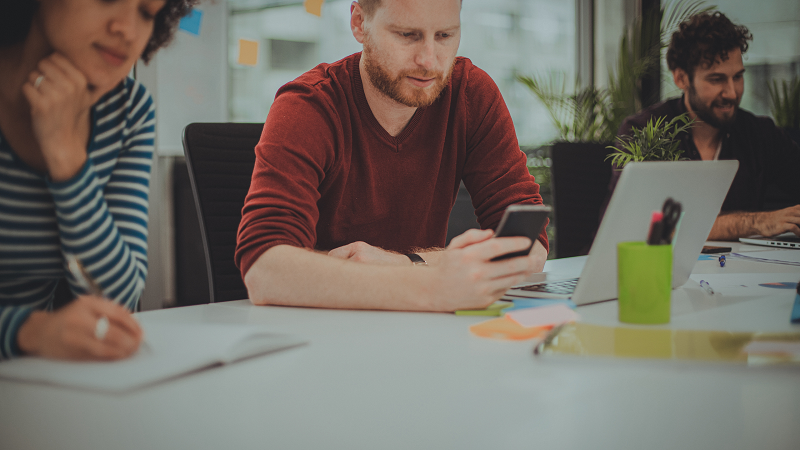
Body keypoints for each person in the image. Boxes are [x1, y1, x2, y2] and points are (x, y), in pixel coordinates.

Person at [236, 0, 549, 312]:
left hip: (422, 332)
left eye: (444, 35)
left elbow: (530, 244)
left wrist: (409, 264)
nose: (429, 60)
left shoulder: (470, 93)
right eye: (407, 35)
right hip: (318, 330)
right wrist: (434, 287)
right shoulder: (308, 107)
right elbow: (264, 270)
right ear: (359, 23)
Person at [0, 0, 195, 360]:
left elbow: (117, 300)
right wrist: (30, 331)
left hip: (41, 381)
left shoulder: (128, 111)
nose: (128, 29)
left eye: (147, 13)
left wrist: (66, 154)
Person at [611, 11, 800, 240]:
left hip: (740, 273)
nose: (732, 92)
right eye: (717, 79)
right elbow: (644, 226)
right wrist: (756, 223)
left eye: (738, 77)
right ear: (681, 78)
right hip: (651, 270)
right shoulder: (642, 132)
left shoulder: (759, 134)